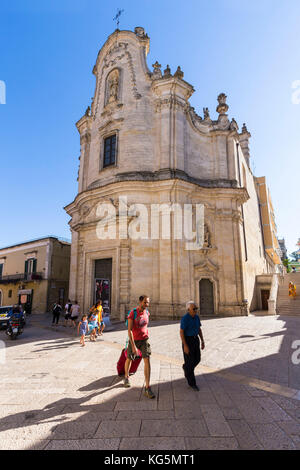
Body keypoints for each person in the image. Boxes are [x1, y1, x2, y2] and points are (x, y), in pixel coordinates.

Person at [123, 295, 155, 399]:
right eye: (145, 302)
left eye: (148, 302)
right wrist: (133, 347)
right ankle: (126, 377)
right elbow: (129, 331)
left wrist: (145, 334)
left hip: (145, 340)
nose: (147, 304)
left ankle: (147, 387)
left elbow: (145, 326)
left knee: (147, 360)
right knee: (129, 359)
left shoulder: (147, 312)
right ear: (140, 301)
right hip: (134, 341)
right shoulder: (133, 313)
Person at [180, 301, 205, 391]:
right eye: (194, 309)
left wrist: (202, 340)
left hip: (195, 340)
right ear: (188, 309)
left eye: (196, 308)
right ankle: (192, 383)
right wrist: (185, 345)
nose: (195, 310)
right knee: (190, 362)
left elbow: (199, 329)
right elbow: (181, 332)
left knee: (197, 359)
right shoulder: (185, 319)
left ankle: (186, 368)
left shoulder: (197, 317)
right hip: (188, 340)